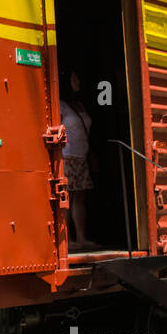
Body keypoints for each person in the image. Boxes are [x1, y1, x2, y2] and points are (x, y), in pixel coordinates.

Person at [59, 69, 96, 251]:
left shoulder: (79, 104)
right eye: (74, 78)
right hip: (67, 156)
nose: (78, 80)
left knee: (80, 197)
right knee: (68, 196)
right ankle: (68, 239)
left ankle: (81, 237)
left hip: (82, 156)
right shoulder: (60, 104)